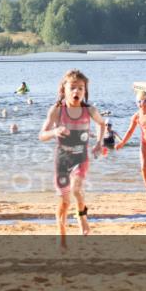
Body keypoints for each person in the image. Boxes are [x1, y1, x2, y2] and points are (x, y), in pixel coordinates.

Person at [39, 69, 107, 247]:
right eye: (73, 87)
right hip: (62, 159)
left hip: (81, 157)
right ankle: (62, 237)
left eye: (81, 88)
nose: (77, 91)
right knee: (64, 201)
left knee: (76, 190)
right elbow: (42, 135)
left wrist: (99, 143)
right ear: (64, 90)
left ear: (85, 91)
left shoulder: (89, 110)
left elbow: (102, 123)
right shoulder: (57, 110)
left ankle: (82, 216)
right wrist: (55, 131)